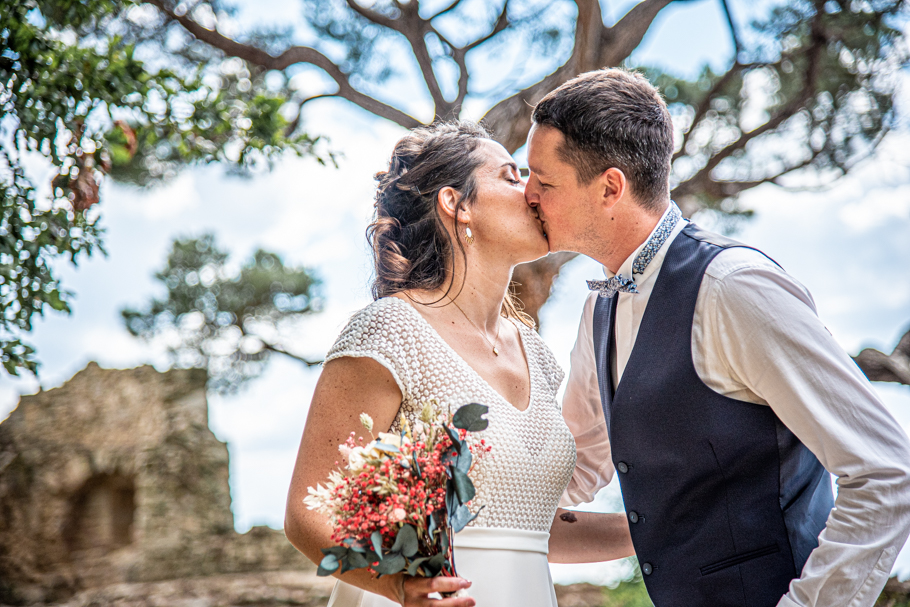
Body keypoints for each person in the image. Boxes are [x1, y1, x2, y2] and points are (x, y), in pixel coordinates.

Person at [525, 67, 910, 607]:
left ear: (610, 187)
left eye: (543, 182)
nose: (527, 195)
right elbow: (575, 463)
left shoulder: (734, 288)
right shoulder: (599, 307)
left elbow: (885, 472)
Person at [284, 121, 635, 607]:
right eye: (512, 177)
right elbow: (307, 512)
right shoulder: (390, 331)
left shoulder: (536, 353)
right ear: (457, 203)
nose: (533, 192)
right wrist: (400, 587)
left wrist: (663, 528)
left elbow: (528, 527)